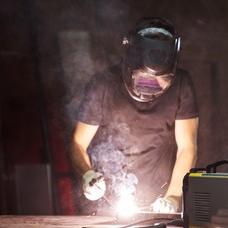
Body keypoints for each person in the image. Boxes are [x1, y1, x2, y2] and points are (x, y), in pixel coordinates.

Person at [68, 16, 199, 214]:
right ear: (130, 63)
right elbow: (78, 143)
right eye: (144, 77)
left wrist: (172, 198)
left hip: (159, 204)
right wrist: (87, 175)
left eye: (161, 79)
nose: (151, 85)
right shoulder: (103, 84)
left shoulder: (182, 84)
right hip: (107, 204)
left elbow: (187, 148)